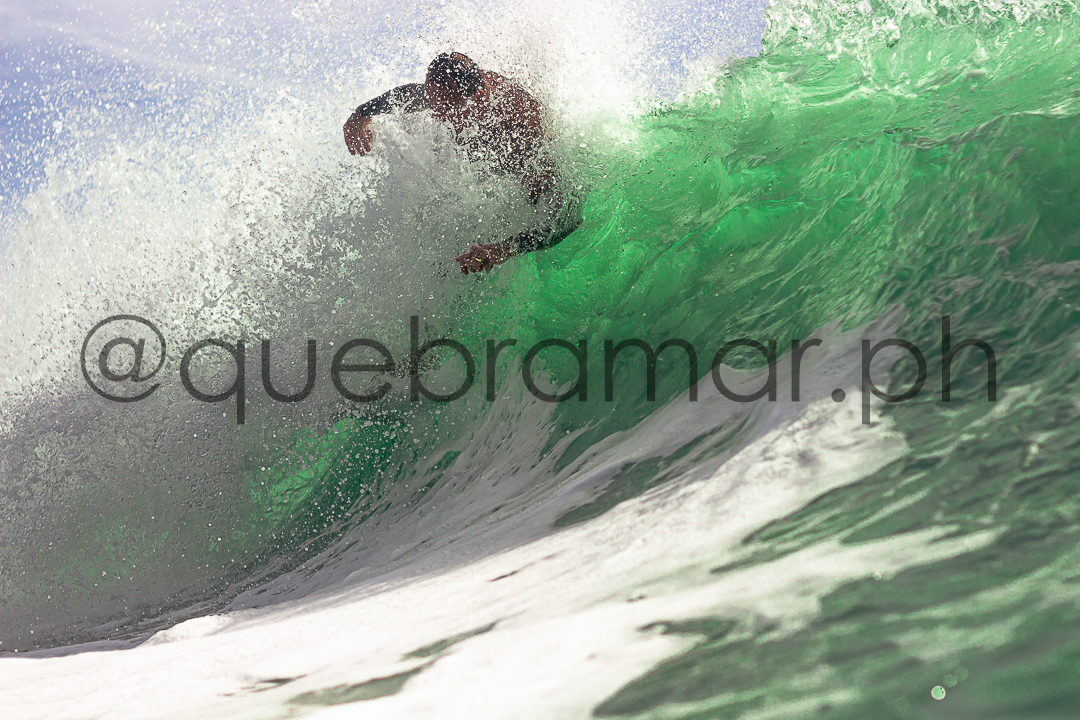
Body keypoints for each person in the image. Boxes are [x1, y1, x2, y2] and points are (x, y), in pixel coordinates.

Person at [343, 52, 581, 274]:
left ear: (478, 99)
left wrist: (502, 250)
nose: (439, 117)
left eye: (446, 109)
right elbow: (408, 95)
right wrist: (361, 114)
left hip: (534, 190)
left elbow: (567, 220)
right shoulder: (450, 91)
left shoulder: (522, 131)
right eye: (434, 106)